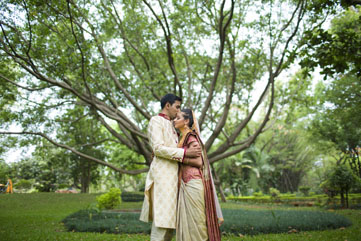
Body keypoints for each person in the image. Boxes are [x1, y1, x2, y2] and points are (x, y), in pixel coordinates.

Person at [140, 94, 203, 241]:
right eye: (177, 107)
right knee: (162, 222)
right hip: (163, 178)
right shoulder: (156, 121)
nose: (178, 110)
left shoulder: (173, 125)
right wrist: (185, 152)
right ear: (167, 105)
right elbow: (158, 149)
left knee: (169, 223)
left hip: (175, 179)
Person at [174, 109, 224, 241]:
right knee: (188, 224)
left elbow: (199, 161)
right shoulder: (181, 138)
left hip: (193, 183)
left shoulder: (191, 137)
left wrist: (178, 156)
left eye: (178, 118)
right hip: (185, 183)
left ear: (186, 121)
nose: (174, 120)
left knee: (197, 222)